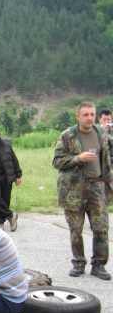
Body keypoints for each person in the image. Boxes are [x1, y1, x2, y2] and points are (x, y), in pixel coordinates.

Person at [53, 102, 113, 280]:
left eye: (92, 115)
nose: (89, 118)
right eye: (85, 115)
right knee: (76, 229)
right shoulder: (68, 135)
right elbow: (57, 161)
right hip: (74, 189)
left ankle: (99, 264)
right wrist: (77, 158)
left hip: (97, 187)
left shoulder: (102, 134)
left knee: (101, 228)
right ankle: (78, 263)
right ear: (78, 116)